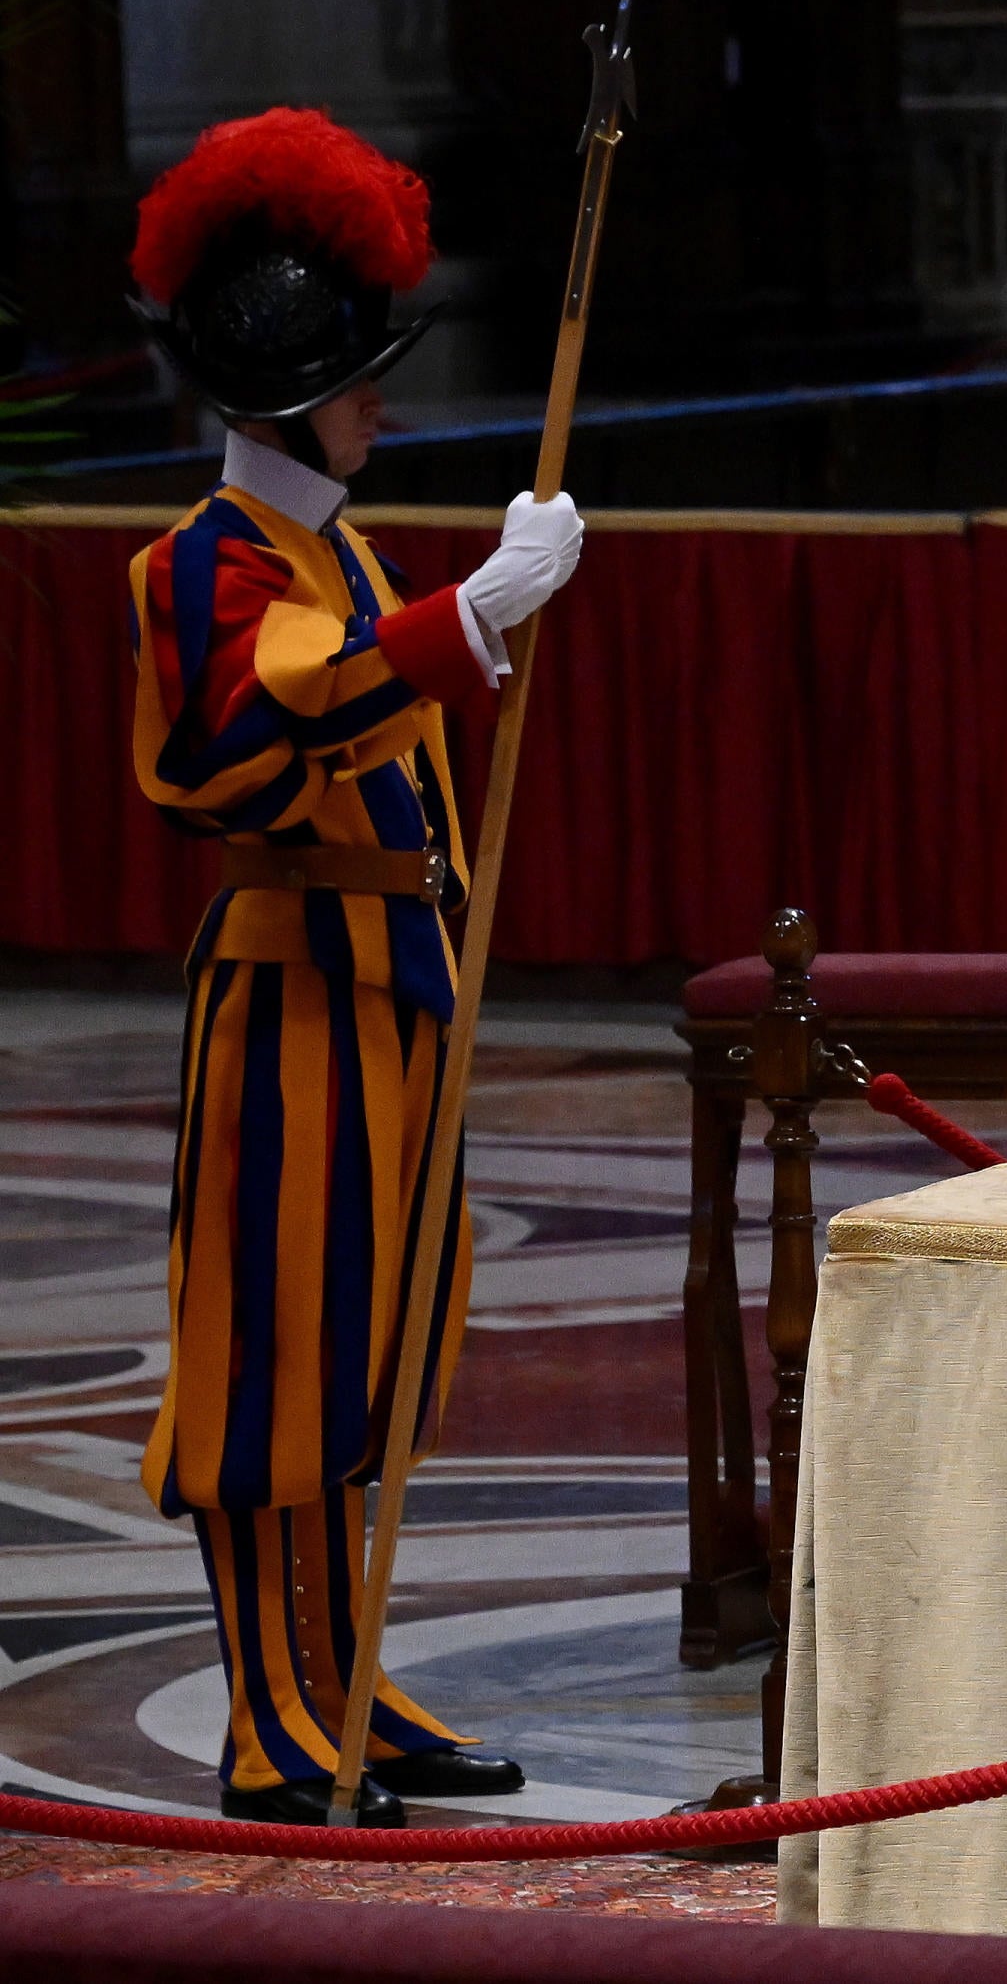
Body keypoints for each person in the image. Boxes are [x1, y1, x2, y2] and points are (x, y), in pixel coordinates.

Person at [126, 108, 587, 1826]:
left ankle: (342, 1676)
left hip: (385, 990)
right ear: (288, 386)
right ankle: (270, 1719)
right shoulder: (201, 564)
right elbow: (248, 732)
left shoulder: (337, 551)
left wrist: (456, 620)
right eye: (361, 377)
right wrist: (470, 621)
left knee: (370, 1353)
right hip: (291, 1000)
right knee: (270, 1360)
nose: (383, 403)